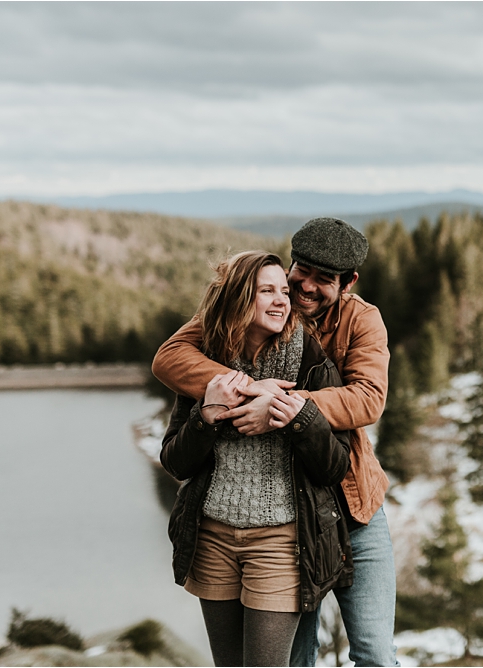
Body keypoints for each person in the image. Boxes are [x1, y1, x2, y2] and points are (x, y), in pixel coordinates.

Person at [153, 217, 399, 667]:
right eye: (298, 271)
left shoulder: (363, 320)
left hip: (352, 502)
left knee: (375, 653)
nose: (302, 288)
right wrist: (247, 387)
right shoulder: (253, 301)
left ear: (348, 284)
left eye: (322, 280)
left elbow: (367, 399)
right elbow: (170, 357)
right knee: (296, 659)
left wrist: (284, 406)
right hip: (294, 515)